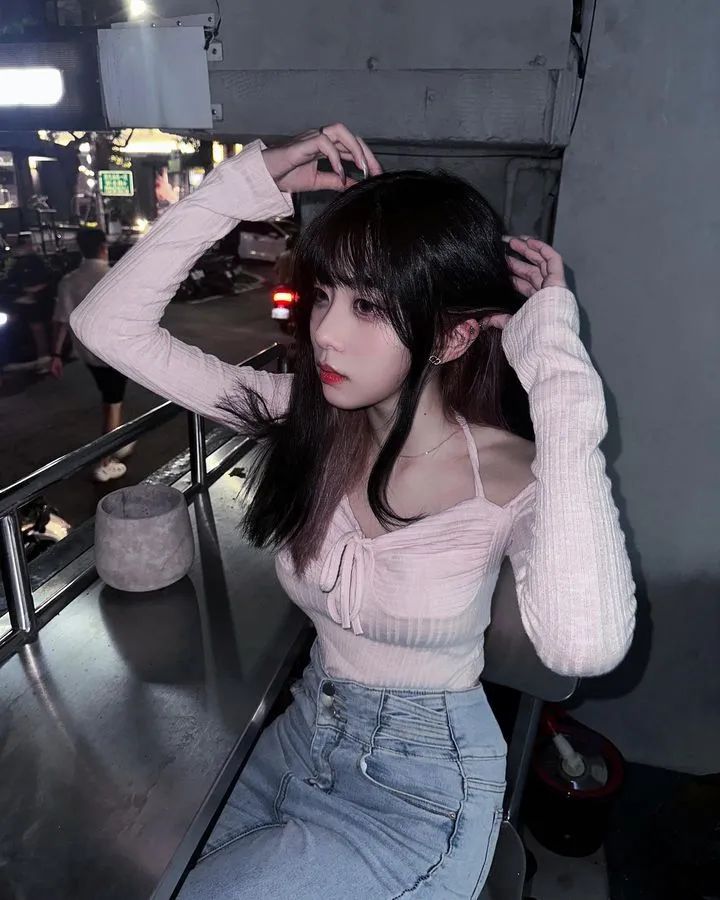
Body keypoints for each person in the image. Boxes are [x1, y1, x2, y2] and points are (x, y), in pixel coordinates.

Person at [70, 124, 636, 898]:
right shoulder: (304, 420)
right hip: (299, 736)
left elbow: (584, 644)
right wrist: (245, 185)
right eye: (325, 295)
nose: (324, 332)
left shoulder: (509, 476)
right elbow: (104, 327)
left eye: (368, 306)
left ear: (453, 337)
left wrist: (556, 370)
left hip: (418, 795)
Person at [51, 228, 133, 483]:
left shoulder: (69, 281)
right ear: (103, 248)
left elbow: (61, 321)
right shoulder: (114, 277)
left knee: (110, 398)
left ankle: (118, 440)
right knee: (113, 403)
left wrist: (55, 354)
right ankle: (105, 462)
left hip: (87, 353)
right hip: (115, 353)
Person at [2, 234, 54, 373]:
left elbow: (44, 282)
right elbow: (9, 280)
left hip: (39, 302)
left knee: (36, 325)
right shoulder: (16, 263)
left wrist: (30, 291)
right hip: (19, 302)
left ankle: (44, 358)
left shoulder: (35, 262)